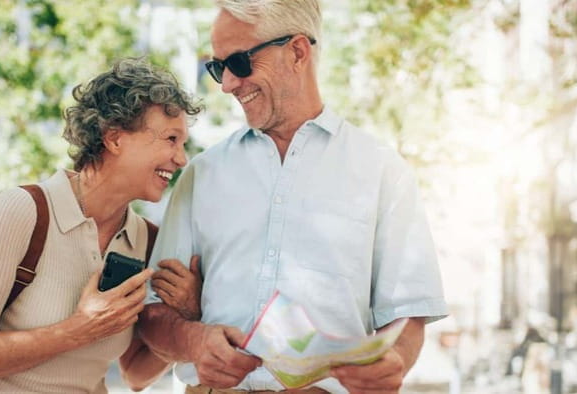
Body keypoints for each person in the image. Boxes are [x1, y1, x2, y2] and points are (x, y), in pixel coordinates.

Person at [138, 1, 448, 393]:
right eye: (218, 68)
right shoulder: (202, 174)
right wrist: (194, 341)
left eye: (239, 62)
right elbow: (153, 315)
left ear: (298, 52)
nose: (228, 84)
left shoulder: (384, 171)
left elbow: (407, 316)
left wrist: (394, 363)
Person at [0, 58, 203, 393]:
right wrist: (78, 330)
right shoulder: (24, 212)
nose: (181, 159)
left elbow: (135, 374)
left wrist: (189, 312)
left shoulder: (146, 240)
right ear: (115, 139)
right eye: (171, 139)